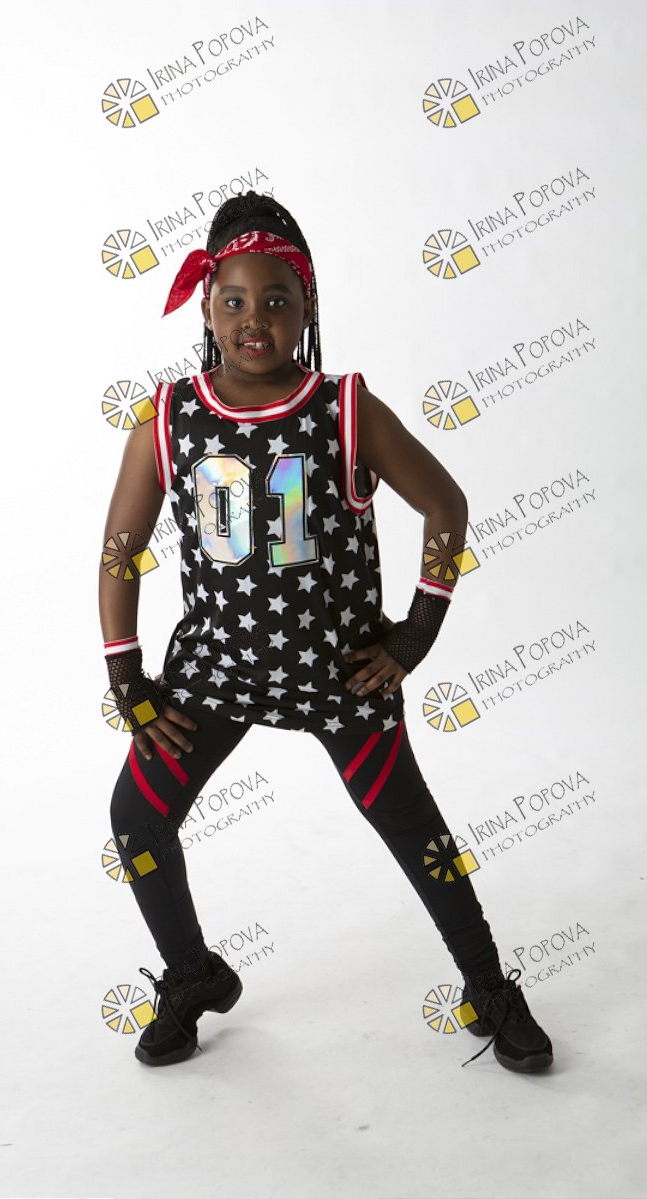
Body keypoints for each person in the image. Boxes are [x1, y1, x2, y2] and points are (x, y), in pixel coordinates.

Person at [99, 190, 553, 1074]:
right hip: (217, 672)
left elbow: (446, 505)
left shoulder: (344, 408)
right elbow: (121, 550)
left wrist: (415, 635)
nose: (254, 320)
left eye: (276, 300)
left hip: (340, 676)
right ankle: (193, 975)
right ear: (206, 306)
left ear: (307, 308)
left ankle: (488, 985)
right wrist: (128, 675)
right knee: (136, 818)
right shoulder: (167, 416)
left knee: (416, 831)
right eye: (235, 300)